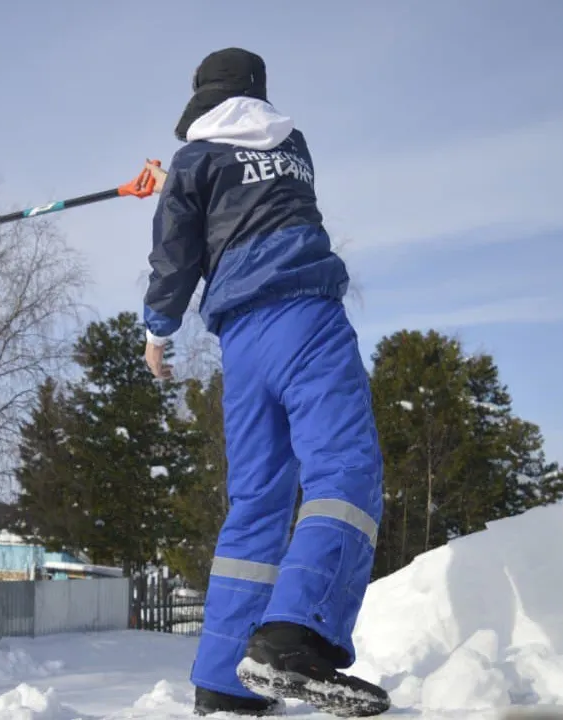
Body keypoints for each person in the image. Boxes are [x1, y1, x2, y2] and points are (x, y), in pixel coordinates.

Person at [140, 48, 391, 718]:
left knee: (255, 502)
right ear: (257, 89)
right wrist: (186, 179)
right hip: (303, 317)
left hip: (241, 343)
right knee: (345, 472)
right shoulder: (292, 141)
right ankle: (294, 638)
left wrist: (158, 327)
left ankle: (224, 681)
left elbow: (177, 247)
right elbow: (257, 187)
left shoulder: (195, 160)